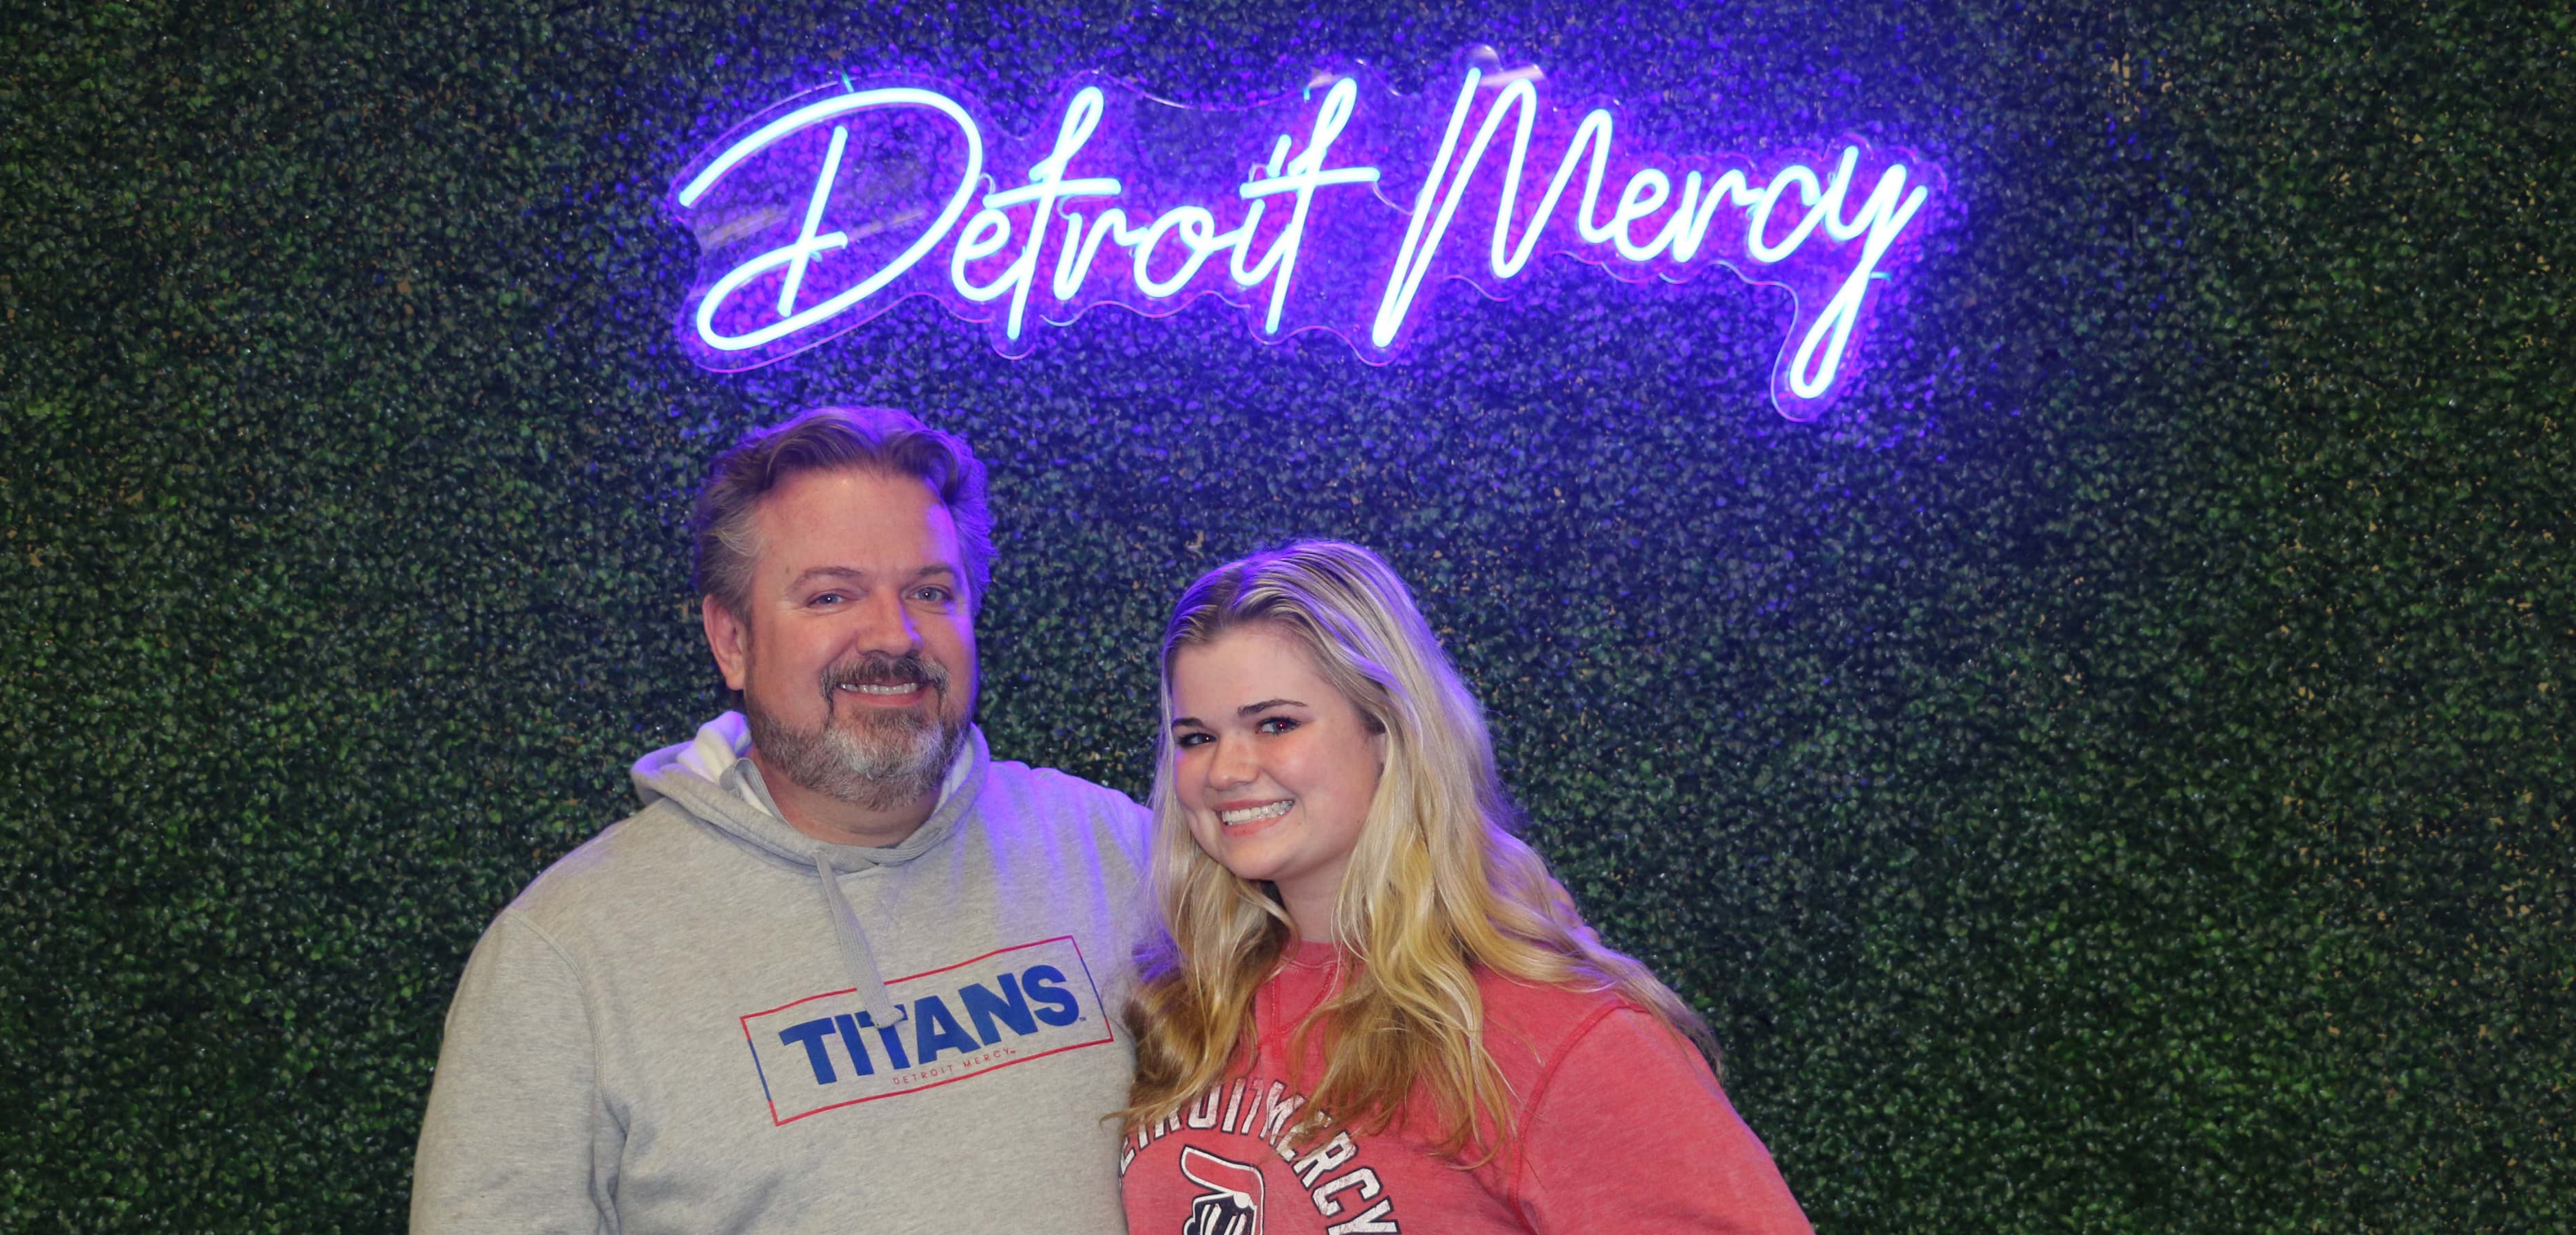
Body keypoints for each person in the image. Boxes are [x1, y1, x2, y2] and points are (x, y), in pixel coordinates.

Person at [413, 408, 1148, 1233]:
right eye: (831, 594)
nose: (892, 635)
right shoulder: (564, 957)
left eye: (930, 592)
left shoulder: (1116, 852)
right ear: (731, 640)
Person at [1116, 541, 1812, 1233]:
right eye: (1195, 737)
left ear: (1387, 730)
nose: (1226, 770)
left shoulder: (1546, 1026)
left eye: (1275, 724)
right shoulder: (1192, 1007)